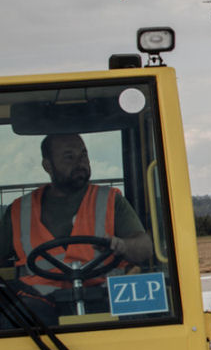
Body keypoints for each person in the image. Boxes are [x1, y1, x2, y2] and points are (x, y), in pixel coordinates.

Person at [0, 134, 152, 315]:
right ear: (47, 166)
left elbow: (145, 247)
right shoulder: (19, 210)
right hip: (38, 307)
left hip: (105, 299)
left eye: (83, 155)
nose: (80, 163)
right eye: (69, 157)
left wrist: (123, 245)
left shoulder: (111, 200)